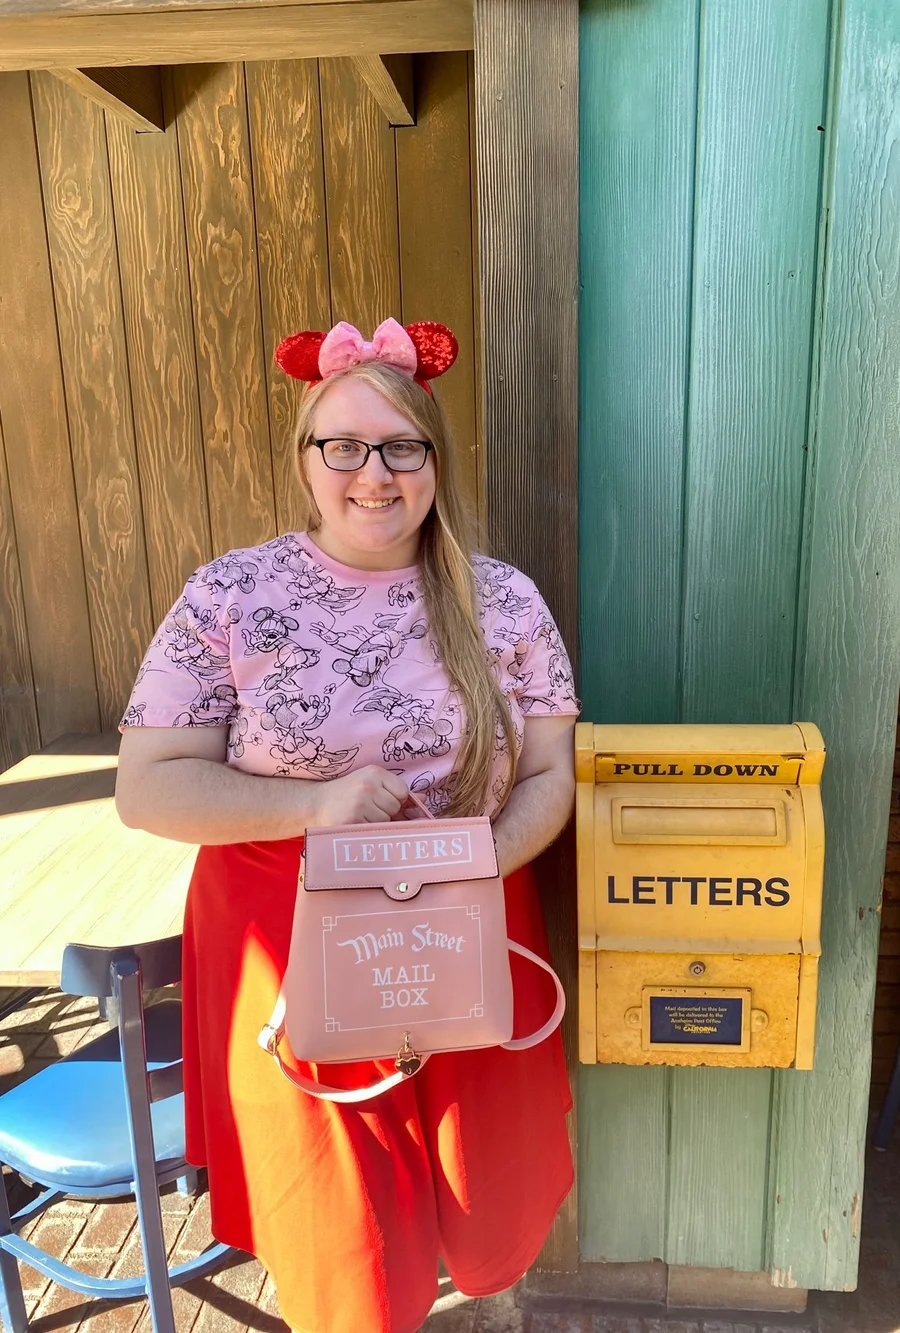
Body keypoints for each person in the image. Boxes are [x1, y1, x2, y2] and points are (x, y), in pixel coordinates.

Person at [115, 317, 579, 1333]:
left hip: (465, 932)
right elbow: (146, 788)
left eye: (400, 445)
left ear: (434, 460)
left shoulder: (503, 602)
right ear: (305, 461)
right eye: (343, 445)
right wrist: (314, 804)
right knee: (347, 1248)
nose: (373, 472)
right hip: (290, 950)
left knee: (482, 1198)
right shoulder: (231, 595)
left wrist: (485, 860)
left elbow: (550, 771)